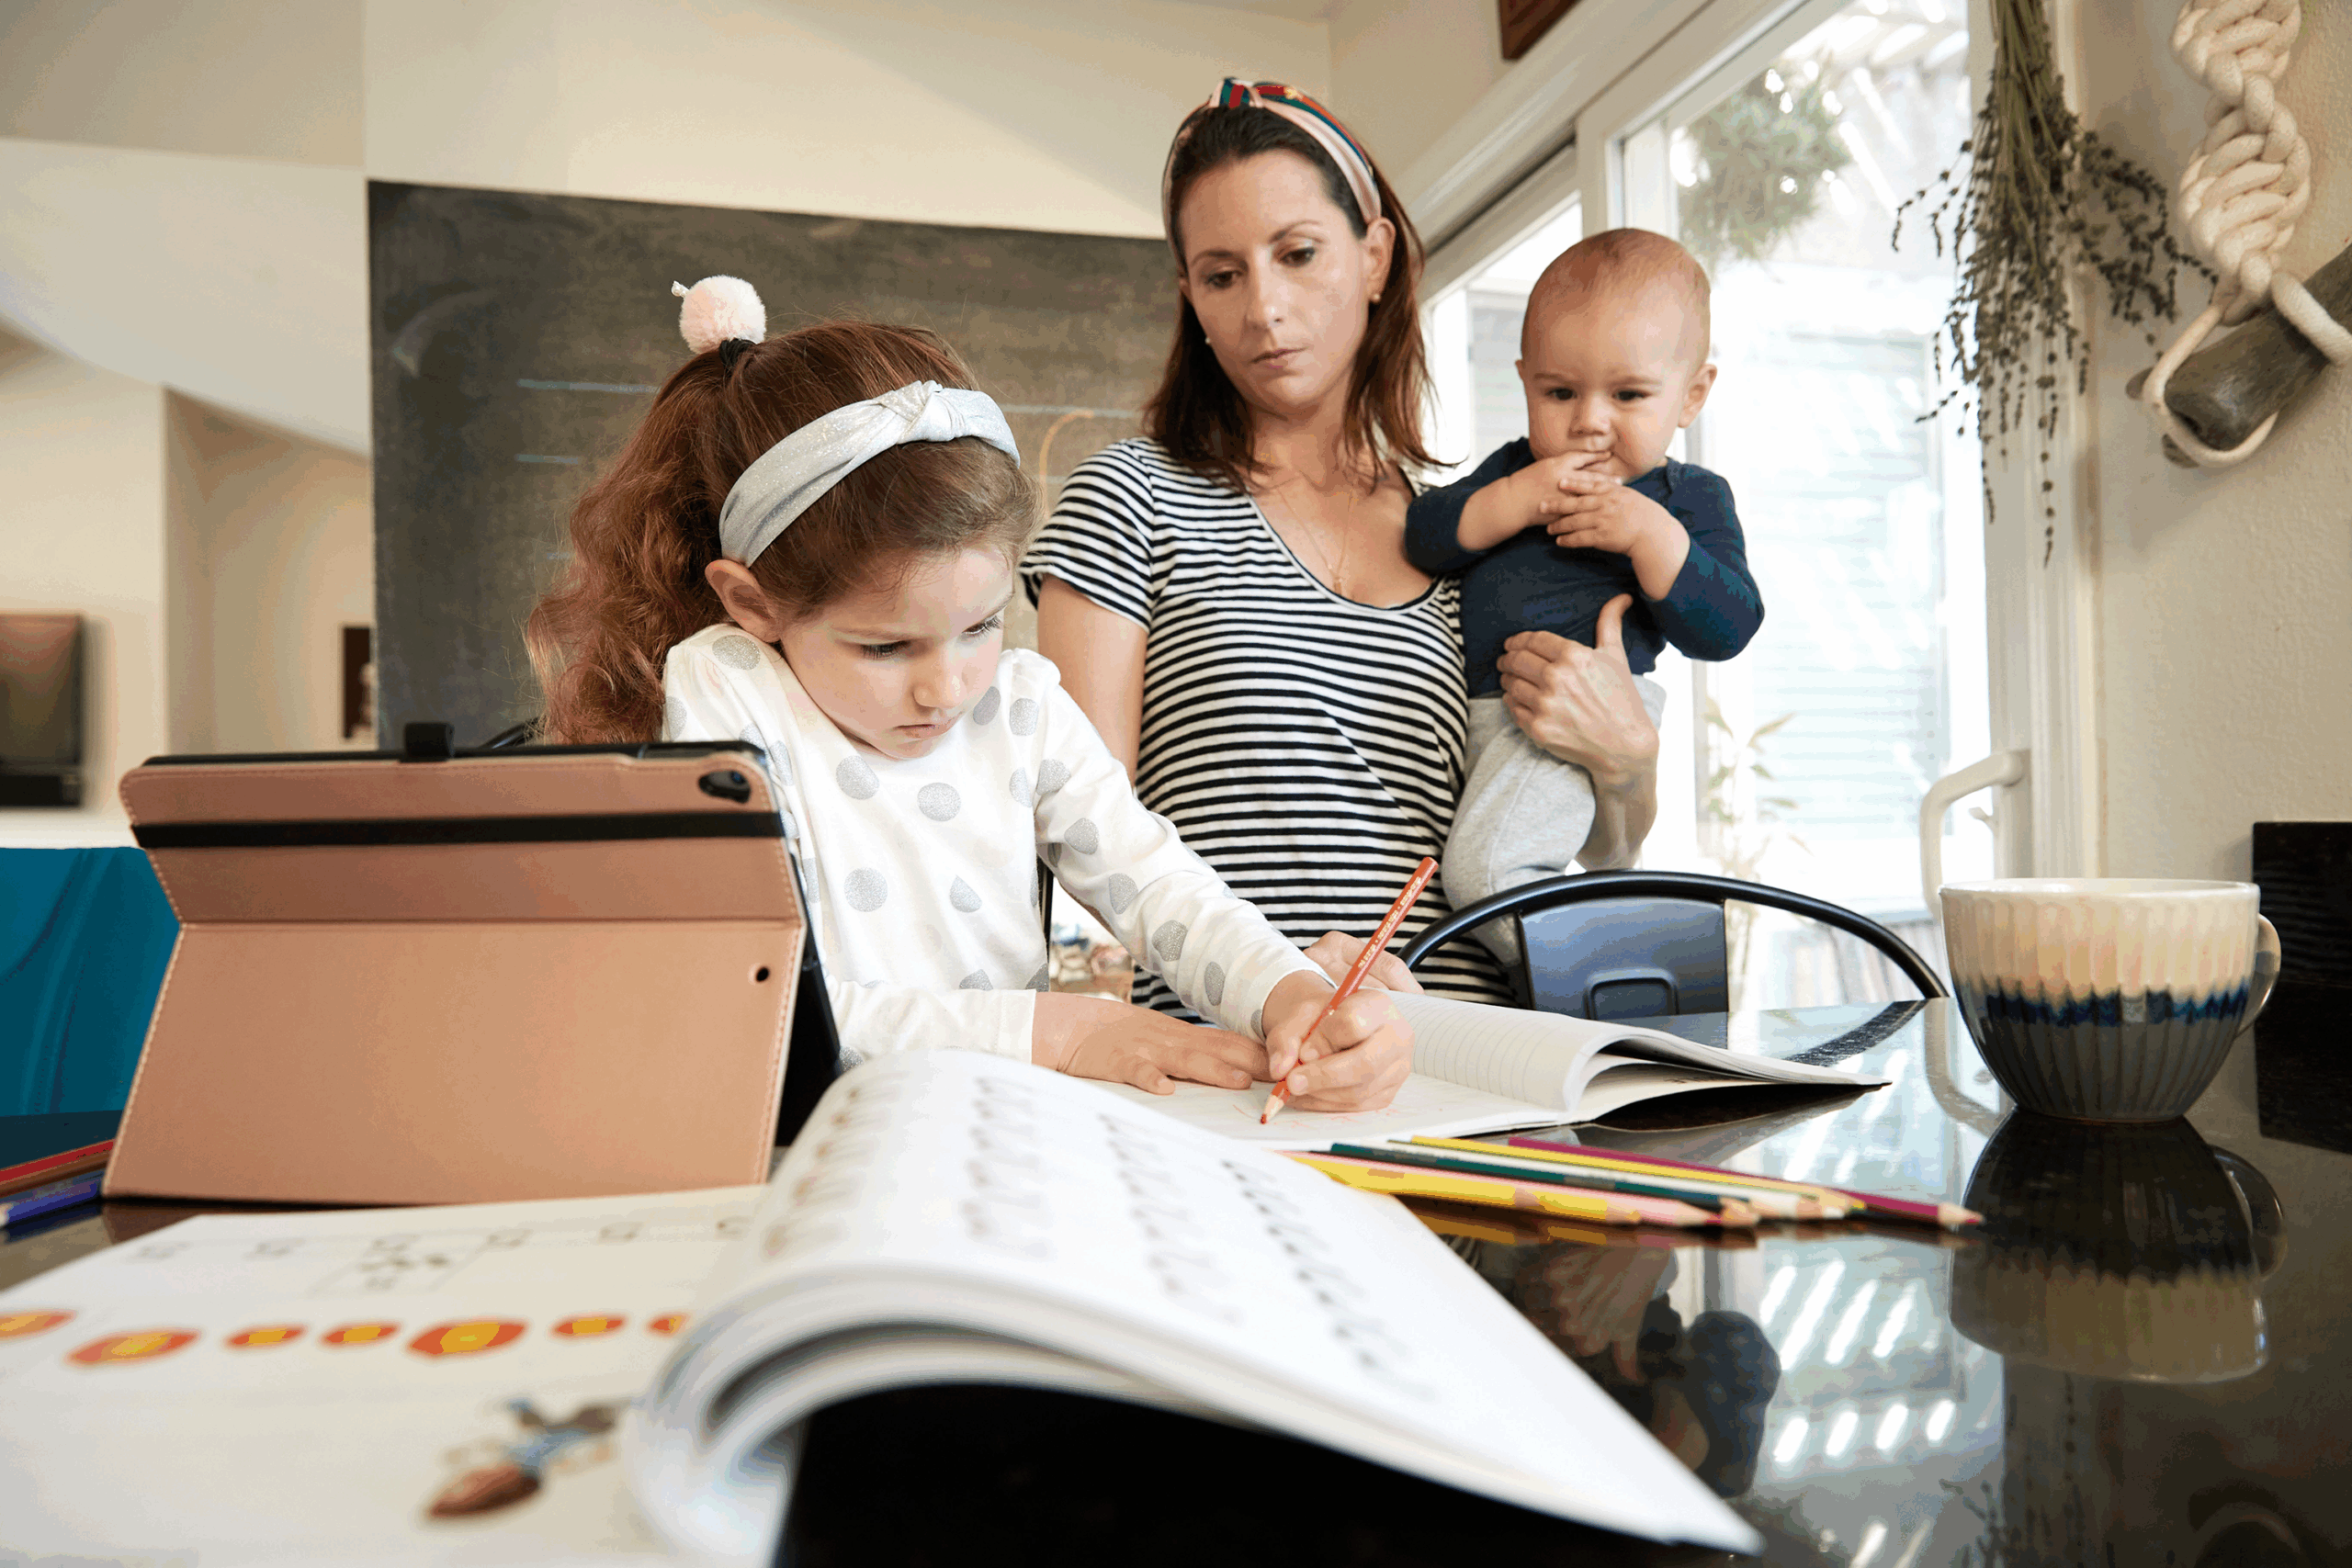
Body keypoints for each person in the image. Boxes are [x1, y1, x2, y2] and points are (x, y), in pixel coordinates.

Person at [526, 281, 1409, 1109]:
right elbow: (787, 1011)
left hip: (994, 1133)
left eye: (983, 625)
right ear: (753, 601)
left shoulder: (1020, 706)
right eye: (884, 644)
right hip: (812, 1139)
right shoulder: (731, 687)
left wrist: (1288, 993)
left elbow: (1160, 885)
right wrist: (1064, 1031)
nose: (947, 686)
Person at [1025, 80, 1665, 1018]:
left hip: (1465, 1063)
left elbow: (1585, 844)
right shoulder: (1131, 497)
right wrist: (1270, 980)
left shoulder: (1475, 530)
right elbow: (1086, 835)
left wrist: (1627, 761)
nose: (1263, 308)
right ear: (1190, 300)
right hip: (1237, 1061)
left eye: (1296, 254)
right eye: (1221, 273)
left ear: (1374, 256)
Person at [1404, 229, 1764, 961]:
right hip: (1483, 716)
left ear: (1692, 395)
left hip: (1580, 711)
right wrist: (1516, 499)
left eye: (1628, 394)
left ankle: (1616, 973)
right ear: (1525, 380)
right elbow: (1425, 536)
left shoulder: (1686, 498)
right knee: (1483, 864)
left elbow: (1728, 625)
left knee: (1486, 876)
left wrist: (1648, 535)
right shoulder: (1515, 472)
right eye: (1560, 392)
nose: (1590, 419)